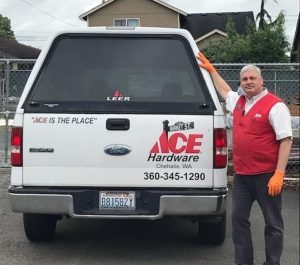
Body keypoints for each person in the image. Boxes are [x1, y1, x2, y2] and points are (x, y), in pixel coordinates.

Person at [197, 52, 293, 265]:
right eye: (244, 79)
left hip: (267, 176)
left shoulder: (275, 106)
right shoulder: (239, 102)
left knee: (273, 223)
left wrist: (279, 173)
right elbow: (224, 90)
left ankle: (272, 262)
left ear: (261, 80)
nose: (248, 82)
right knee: (239, 221)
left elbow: (286, 140)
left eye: (252, 78)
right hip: (242, 176)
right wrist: (211, 70)